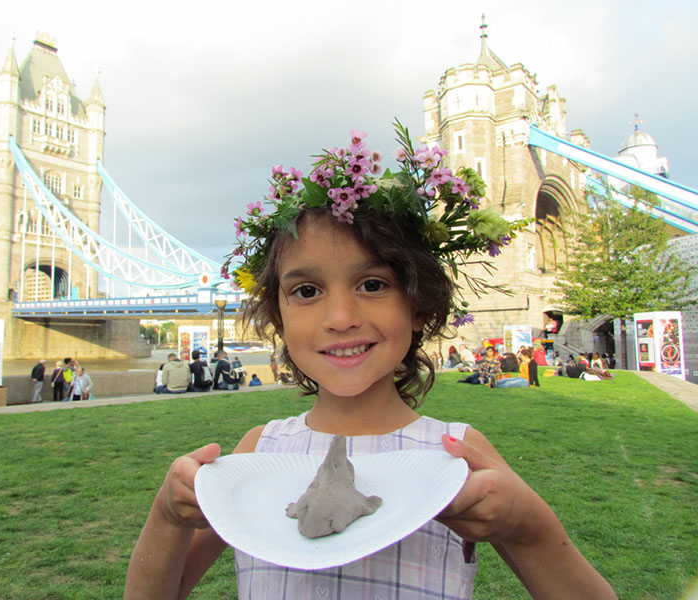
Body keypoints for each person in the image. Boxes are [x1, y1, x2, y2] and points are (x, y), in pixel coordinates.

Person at [124, 127, 616, 600]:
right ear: (279, 316)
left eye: (373, 284)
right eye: (307, 291)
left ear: (419, 303)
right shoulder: (258, 453)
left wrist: (527, 527)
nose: (340, 318)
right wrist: (167, 516)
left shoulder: (457, 456)